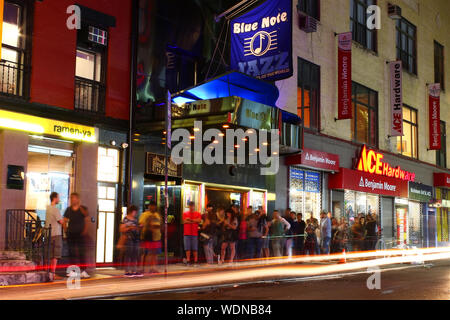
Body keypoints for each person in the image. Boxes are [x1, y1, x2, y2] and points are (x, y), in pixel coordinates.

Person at [63, 193, 90, 279]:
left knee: (82, 253)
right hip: (71, 234)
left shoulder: (83, 209)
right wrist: (65, 230)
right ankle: (72, 271)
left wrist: (85, 230)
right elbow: (64, 220)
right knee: (72, 253)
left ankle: (83, 271)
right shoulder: (68, 210)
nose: (72, 200)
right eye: (71, 198)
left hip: (80, 234)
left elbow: (87, 219)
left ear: (78, 199)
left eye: (74, 198)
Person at [45, 192, 64, 281]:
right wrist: (65, 219)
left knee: (49, 254)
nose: (59, 199)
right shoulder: (55, 209)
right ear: (55, 198)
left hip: (49, 234)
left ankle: (48, 272)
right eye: (58, 197)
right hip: (56, 233)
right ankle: (53, 273)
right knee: (55, 255)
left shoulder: (48, 208)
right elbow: (61, 221)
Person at [139, 201, 162, 273]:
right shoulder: (144, 214)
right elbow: (141, 224)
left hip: (157, 237)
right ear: (149, 206)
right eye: (151, 206)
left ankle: (153, 268)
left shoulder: (157, 215)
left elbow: (160, 225)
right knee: (146, 253)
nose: (153, 207)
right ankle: (144, 268)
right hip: (147, 237)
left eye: (154, 206)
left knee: (155, 253)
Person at [120, 205, 142, 277]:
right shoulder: (125, 219)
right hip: (129, 238)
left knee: (135, 255)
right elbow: (122, 229)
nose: (135, 213)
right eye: (135, 212)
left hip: (136, 238)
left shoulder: (135, 220)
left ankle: (134, 270)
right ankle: (127, 271)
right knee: (128, 255)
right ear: (132, 211)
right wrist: (130, 227)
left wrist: (139, 227)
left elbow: (137, 228)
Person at [182, 201, 202, 266]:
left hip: (194, 233)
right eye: (190, 206)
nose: (191, 207)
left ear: (194, 206)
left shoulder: (198, 213)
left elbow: (199, 220)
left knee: (195, 248)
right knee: (187, 248)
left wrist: (190, 220)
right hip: (187, 233)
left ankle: (195, 261)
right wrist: (194, 221)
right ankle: (188, 260)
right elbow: (184, 221)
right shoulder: (185, 213)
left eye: (192, 206)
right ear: (189, 206)